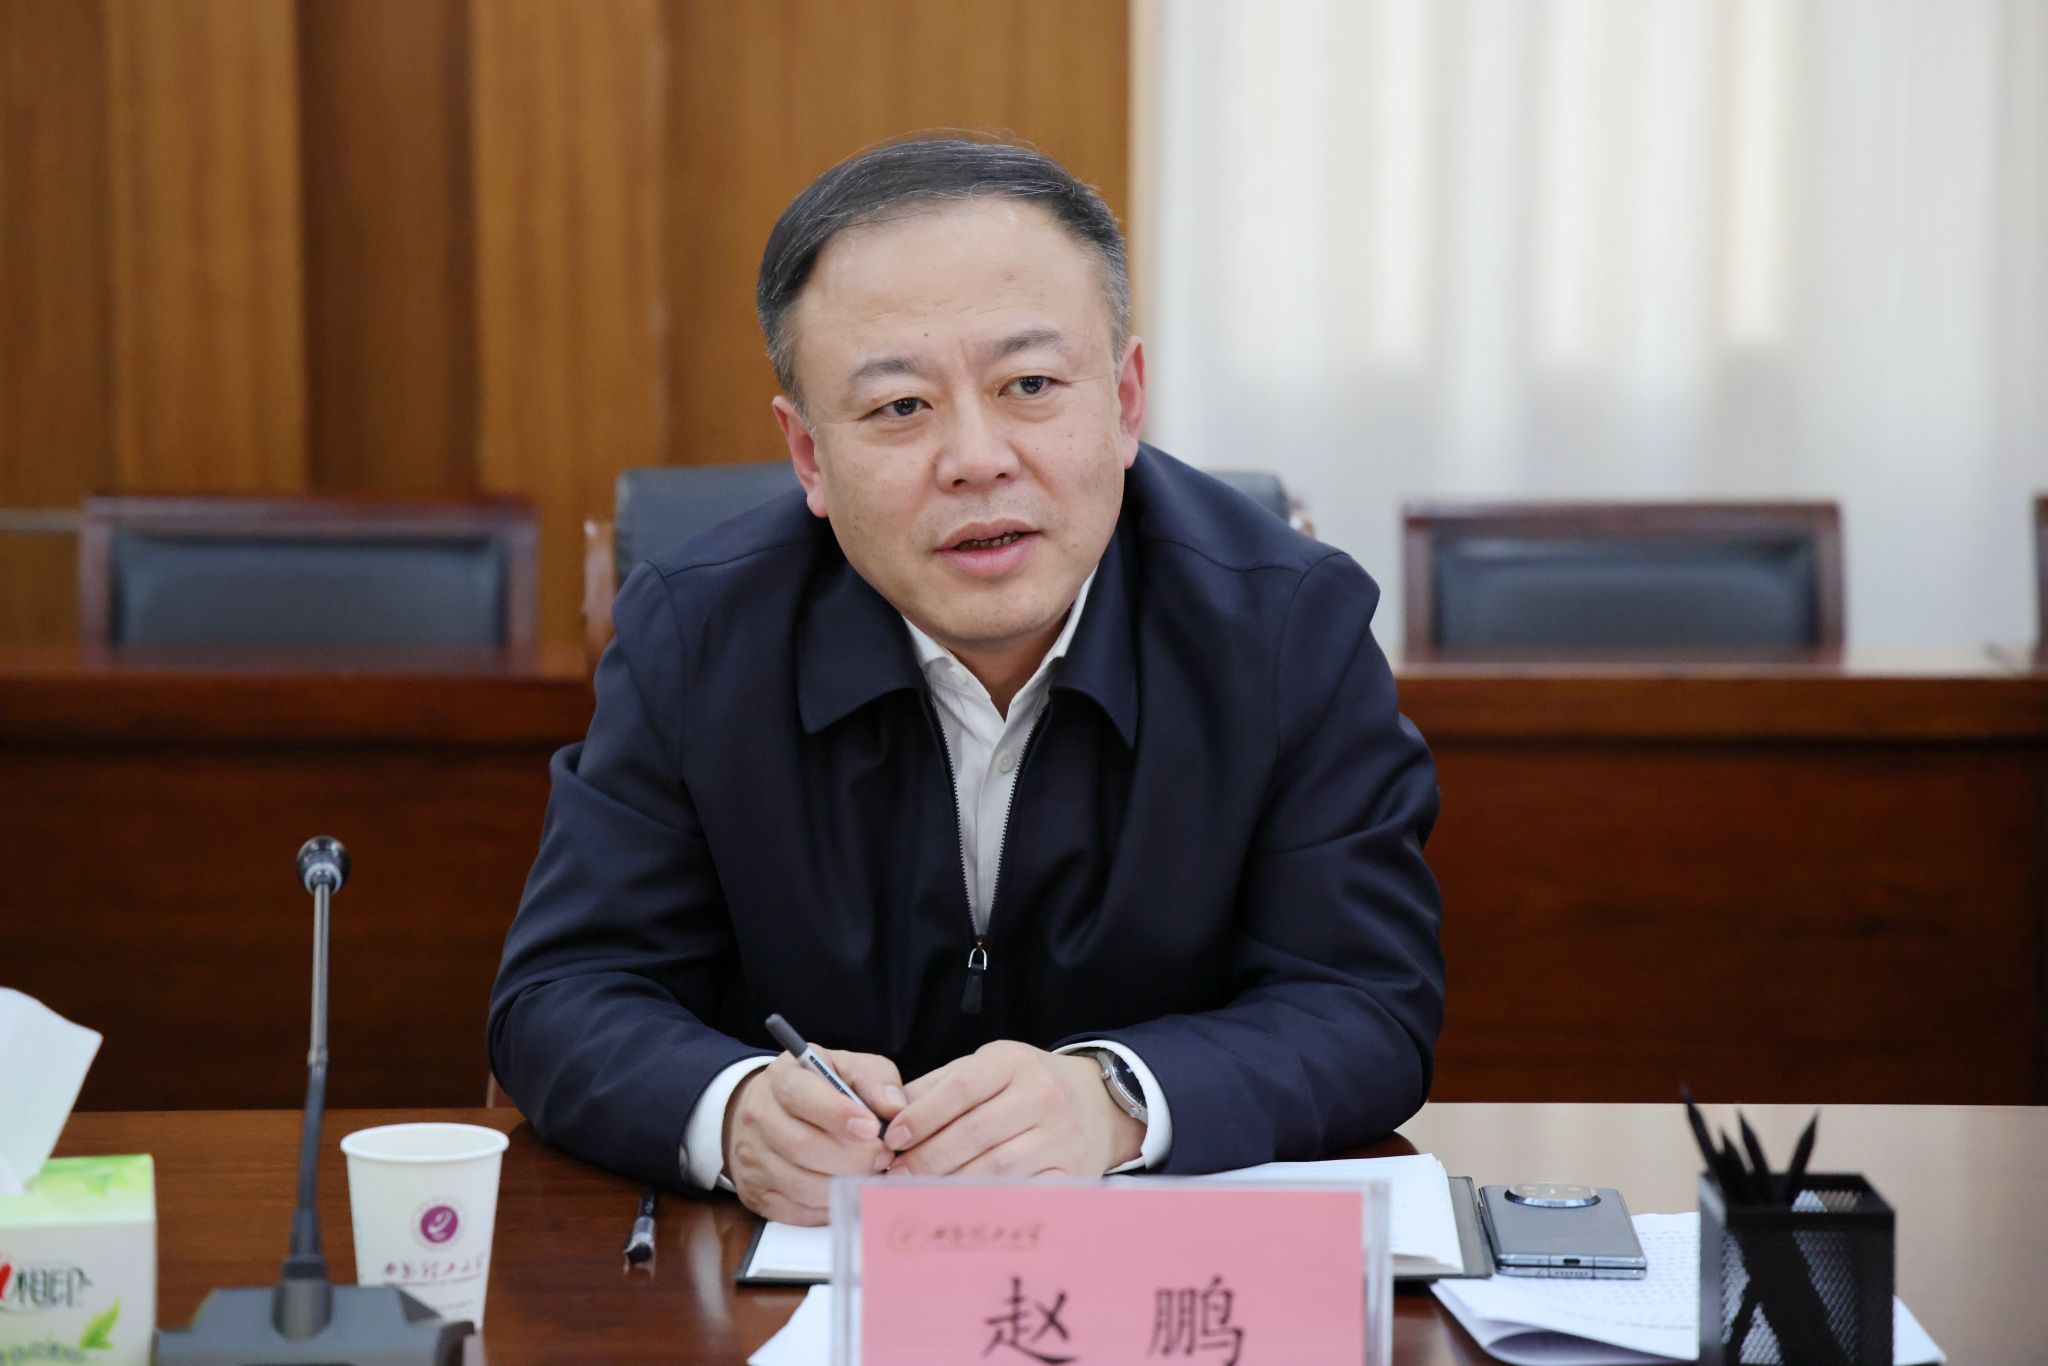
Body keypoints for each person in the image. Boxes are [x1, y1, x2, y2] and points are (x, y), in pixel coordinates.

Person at [488, 138, 1444, 1227]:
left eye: (1029, 385)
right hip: (790, 1279)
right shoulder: (696, 636)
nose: (975, 458)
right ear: (809, 456)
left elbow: (1366, 1002)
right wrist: (734, 1109)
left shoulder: (1287, 629)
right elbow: (559, 995)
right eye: (900, 407)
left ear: (1126, 400)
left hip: (1155, 1270)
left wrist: (1116, 1100)